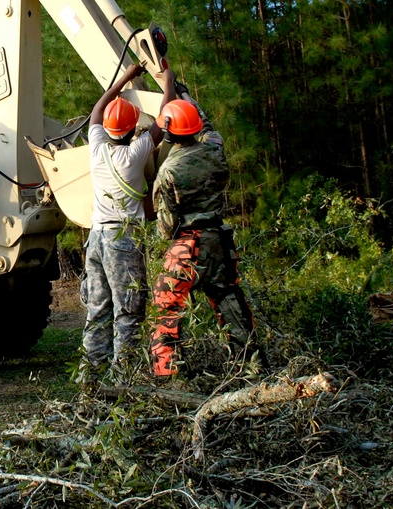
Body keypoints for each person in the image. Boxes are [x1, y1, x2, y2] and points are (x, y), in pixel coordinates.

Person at [150, 86, 263, 379]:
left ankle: (168, 376)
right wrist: (184, 95)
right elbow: (207, 124)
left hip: (187, 245)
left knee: (166, 308)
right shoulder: (214, 148)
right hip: (219, 241)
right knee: (229, 300)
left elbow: (165, 228)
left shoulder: (168, 171)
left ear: (168, 133)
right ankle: (250, 366)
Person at [81, 59, 173, 383]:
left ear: (105, 129)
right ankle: (126, 382)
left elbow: (97, 110)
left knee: (98, 310)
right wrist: (169, 82)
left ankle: (92, 378)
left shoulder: (96, 149)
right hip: (122, 242)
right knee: (129, 311)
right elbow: (164, 122)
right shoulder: (134, 155)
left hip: (96, 238)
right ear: (134, 128)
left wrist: (125, 78)